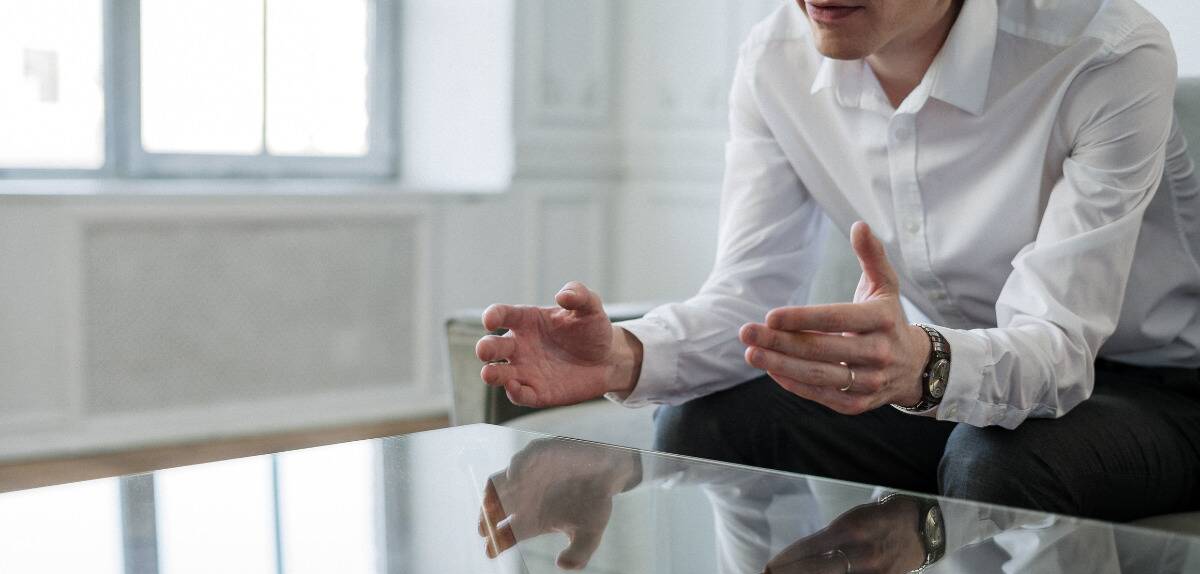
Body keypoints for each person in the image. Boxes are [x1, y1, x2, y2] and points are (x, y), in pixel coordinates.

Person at [477, 0, 1200, 520]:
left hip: (1160, 388)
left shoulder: (1105, 53)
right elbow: (748, 298)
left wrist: (923, 365)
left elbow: (1060, 345)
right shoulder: (774, 61)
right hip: (967, 379)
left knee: (997, 461)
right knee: (708, 424)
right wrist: (625, 355)